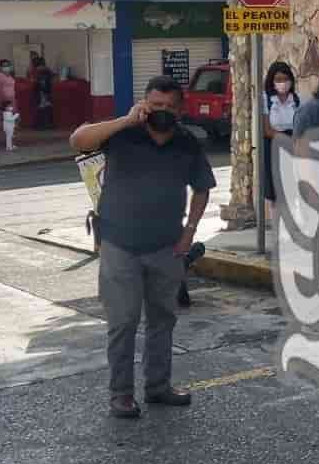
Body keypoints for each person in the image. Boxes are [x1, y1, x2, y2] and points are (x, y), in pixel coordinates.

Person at [70, 76, 216, 419]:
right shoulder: (122, 134)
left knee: (162, 320)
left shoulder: (187, 142)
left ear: (180, 109)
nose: (162, 111)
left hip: (166, 246)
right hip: (120, 244)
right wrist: (125, 119)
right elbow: (78, 140)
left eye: (169, 106)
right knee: (123, 321)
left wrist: (189, 232)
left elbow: (202, 188)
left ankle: (158, 387)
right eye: (156, 105)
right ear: (145, 104)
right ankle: (121, 394)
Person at [262, 60, 298, 218]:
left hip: (293, 147)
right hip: (274, 146)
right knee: (275, 190)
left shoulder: (296, 100)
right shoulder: (267, 100)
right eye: (278, 79)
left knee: (291, 187)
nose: (282, 83)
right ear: (272, 81)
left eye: (285, 79)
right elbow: (267, 129)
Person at [31, 56, 55, 130]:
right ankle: (47, 124)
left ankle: (41, 125)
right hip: (45, 92)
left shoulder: (38, 71)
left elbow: (39, 83)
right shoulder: (46, 70)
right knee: (46, 109)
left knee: (41, 109)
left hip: (41, 93)